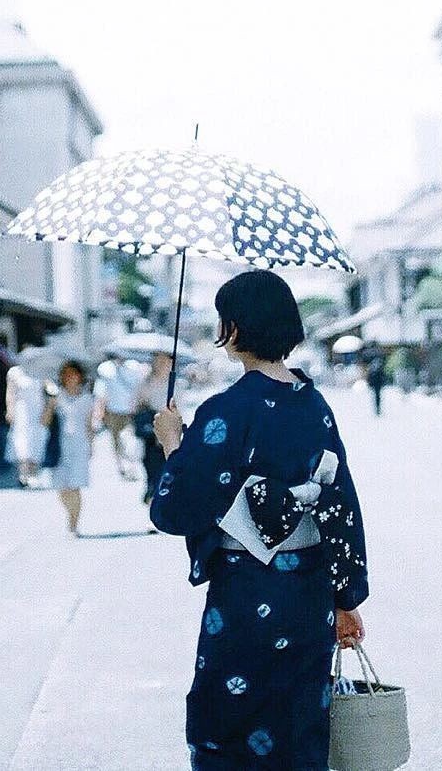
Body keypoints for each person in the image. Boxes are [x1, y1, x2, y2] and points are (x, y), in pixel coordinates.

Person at [151, 270, 368, 770]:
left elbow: (179, 506)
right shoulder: (315, 406)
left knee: (230, 720)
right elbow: (342, 509)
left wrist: (171, 442)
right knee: (299, 722)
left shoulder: (226, 410)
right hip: (311, 592)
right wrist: (345, 598)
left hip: (247, 591)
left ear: (235, 327)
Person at [42, 361, 94, 535]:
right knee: (62, 487)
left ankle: (74, 523)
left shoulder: (87, 398)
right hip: (60, 446)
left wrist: (91, 446)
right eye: (66, 375)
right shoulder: (57, 397)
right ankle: (70, 514)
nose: (70, 378)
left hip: (79, 445)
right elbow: (45, 422)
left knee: (75, 485)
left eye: (73, 374)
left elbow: (89, 425)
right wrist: (51, 404)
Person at [134, 351, 175, 505]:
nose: (160, 365)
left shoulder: (175, 384)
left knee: (167, 475)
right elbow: (136, 406)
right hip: (150, 435)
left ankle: (161, 507)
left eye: (164, 361)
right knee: (152, 474)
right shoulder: (145, 383)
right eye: (157, 361)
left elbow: (180, 412)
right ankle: (152, 507)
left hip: (169, 436)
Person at [93, 357, 142, 480]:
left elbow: (139, 388)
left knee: (129, 440)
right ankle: (122, 467)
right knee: (116, 440)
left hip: (130, 412)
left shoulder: (134, 366)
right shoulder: (105, 368)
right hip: (113, 412)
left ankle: (131, 467)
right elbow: (101, 392)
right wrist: (100, 412)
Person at [6, 365, 45, 486]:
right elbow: (10, 393)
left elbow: (48, 391)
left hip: (38, 411)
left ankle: (34, 474)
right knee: (22, 442)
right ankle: (23, 474)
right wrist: (10, 410)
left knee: (37, 441)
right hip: (22, 411)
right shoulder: (14, 372)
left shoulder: (41, 370)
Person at [363, 343, 387, 416]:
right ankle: (378, 408)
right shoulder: (380, 354)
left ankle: (377, 408)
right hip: (378, 377)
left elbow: (366, 365)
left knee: (375, 394)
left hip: (373, 377)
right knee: (378, 394)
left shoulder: (369, 354)